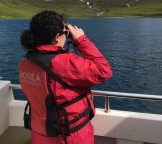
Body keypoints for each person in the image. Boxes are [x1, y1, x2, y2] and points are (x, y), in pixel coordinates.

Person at [19, 10, 112, 144]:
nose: (66, 36)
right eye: (66, 33)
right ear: (57, 36)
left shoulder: (25, 63)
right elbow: (104, 71)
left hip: (40, 133)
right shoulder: (64, 63)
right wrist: (81, 40)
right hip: (69, 137)